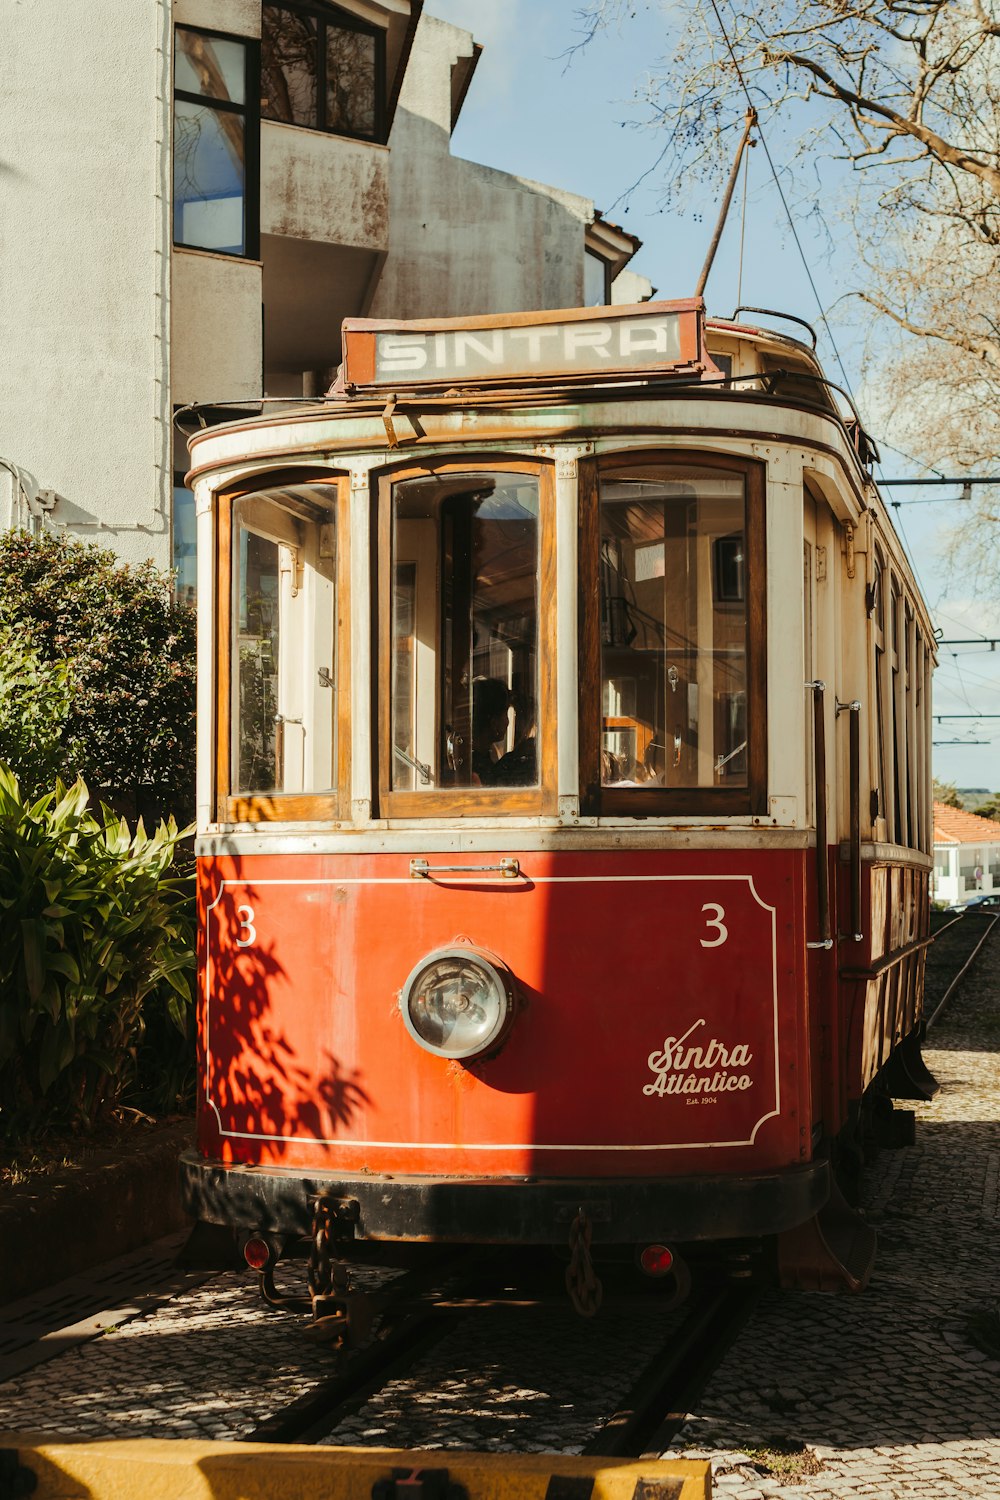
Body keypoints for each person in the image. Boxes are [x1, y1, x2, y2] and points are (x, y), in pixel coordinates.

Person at [471, 678, 511, 784]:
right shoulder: (479, 772)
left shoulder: (484, 755)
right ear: (494, 722)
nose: (508, 722)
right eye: (505, 714)